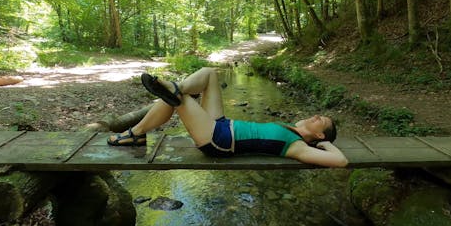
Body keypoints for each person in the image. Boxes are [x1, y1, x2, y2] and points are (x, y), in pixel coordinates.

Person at [107, 67, 348, 168]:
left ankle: (136, 133)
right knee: (209, 74)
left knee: (178, 99)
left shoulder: (298, 147)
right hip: (222, 126)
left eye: (321, 121)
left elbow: (341, 162)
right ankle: (173, 87)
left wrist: (325, 145)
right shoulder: (291, 130)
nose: (316, 116)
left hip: (219, 141)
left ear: (318, 135)